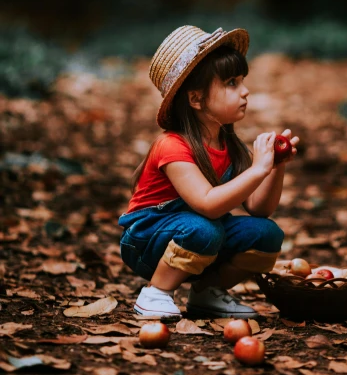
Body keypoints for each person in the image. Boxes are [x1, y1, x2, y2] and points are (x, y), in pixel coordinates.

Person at [118, 25, 299, 319]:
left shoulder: (227, 144)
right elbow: (208, 205)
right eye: (231, 83)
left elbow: (259, 208)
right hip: (146, 239)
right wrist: (257, 170)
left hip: (197, 232)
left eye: (242, 81)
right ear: (196, 99)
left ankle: (206, 293)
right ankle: (155, 293)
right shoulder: (172, 146)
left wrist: (274, 169)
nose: (245, 91)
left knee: (266, 234)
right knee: (205, 229)